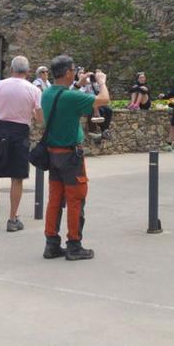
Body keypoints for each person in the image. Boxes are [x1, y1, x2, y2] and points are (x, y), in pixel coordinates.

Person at [41, 55, 106, 261]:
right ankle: (74, 245)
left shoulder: (48, 93)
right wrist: (102, 82)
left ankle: (51, 243)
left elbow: (66, 99)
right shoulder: (69, 97)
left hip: (53, 154)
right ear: (68, 72)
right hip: (71, 156)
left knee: (55, 200)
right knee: (76, 199)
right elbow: (103, 100)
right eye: (73, 69)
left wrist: (78, 84)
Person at [0, 56, 43, 231]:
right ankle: (12, 218)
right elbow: (39, 118)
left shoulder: (0, 85)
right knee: (17, 177)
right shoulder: (34, 90)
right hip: (19, 132)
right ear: (27, 71)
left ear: (11, 69)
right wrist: (32, 113)